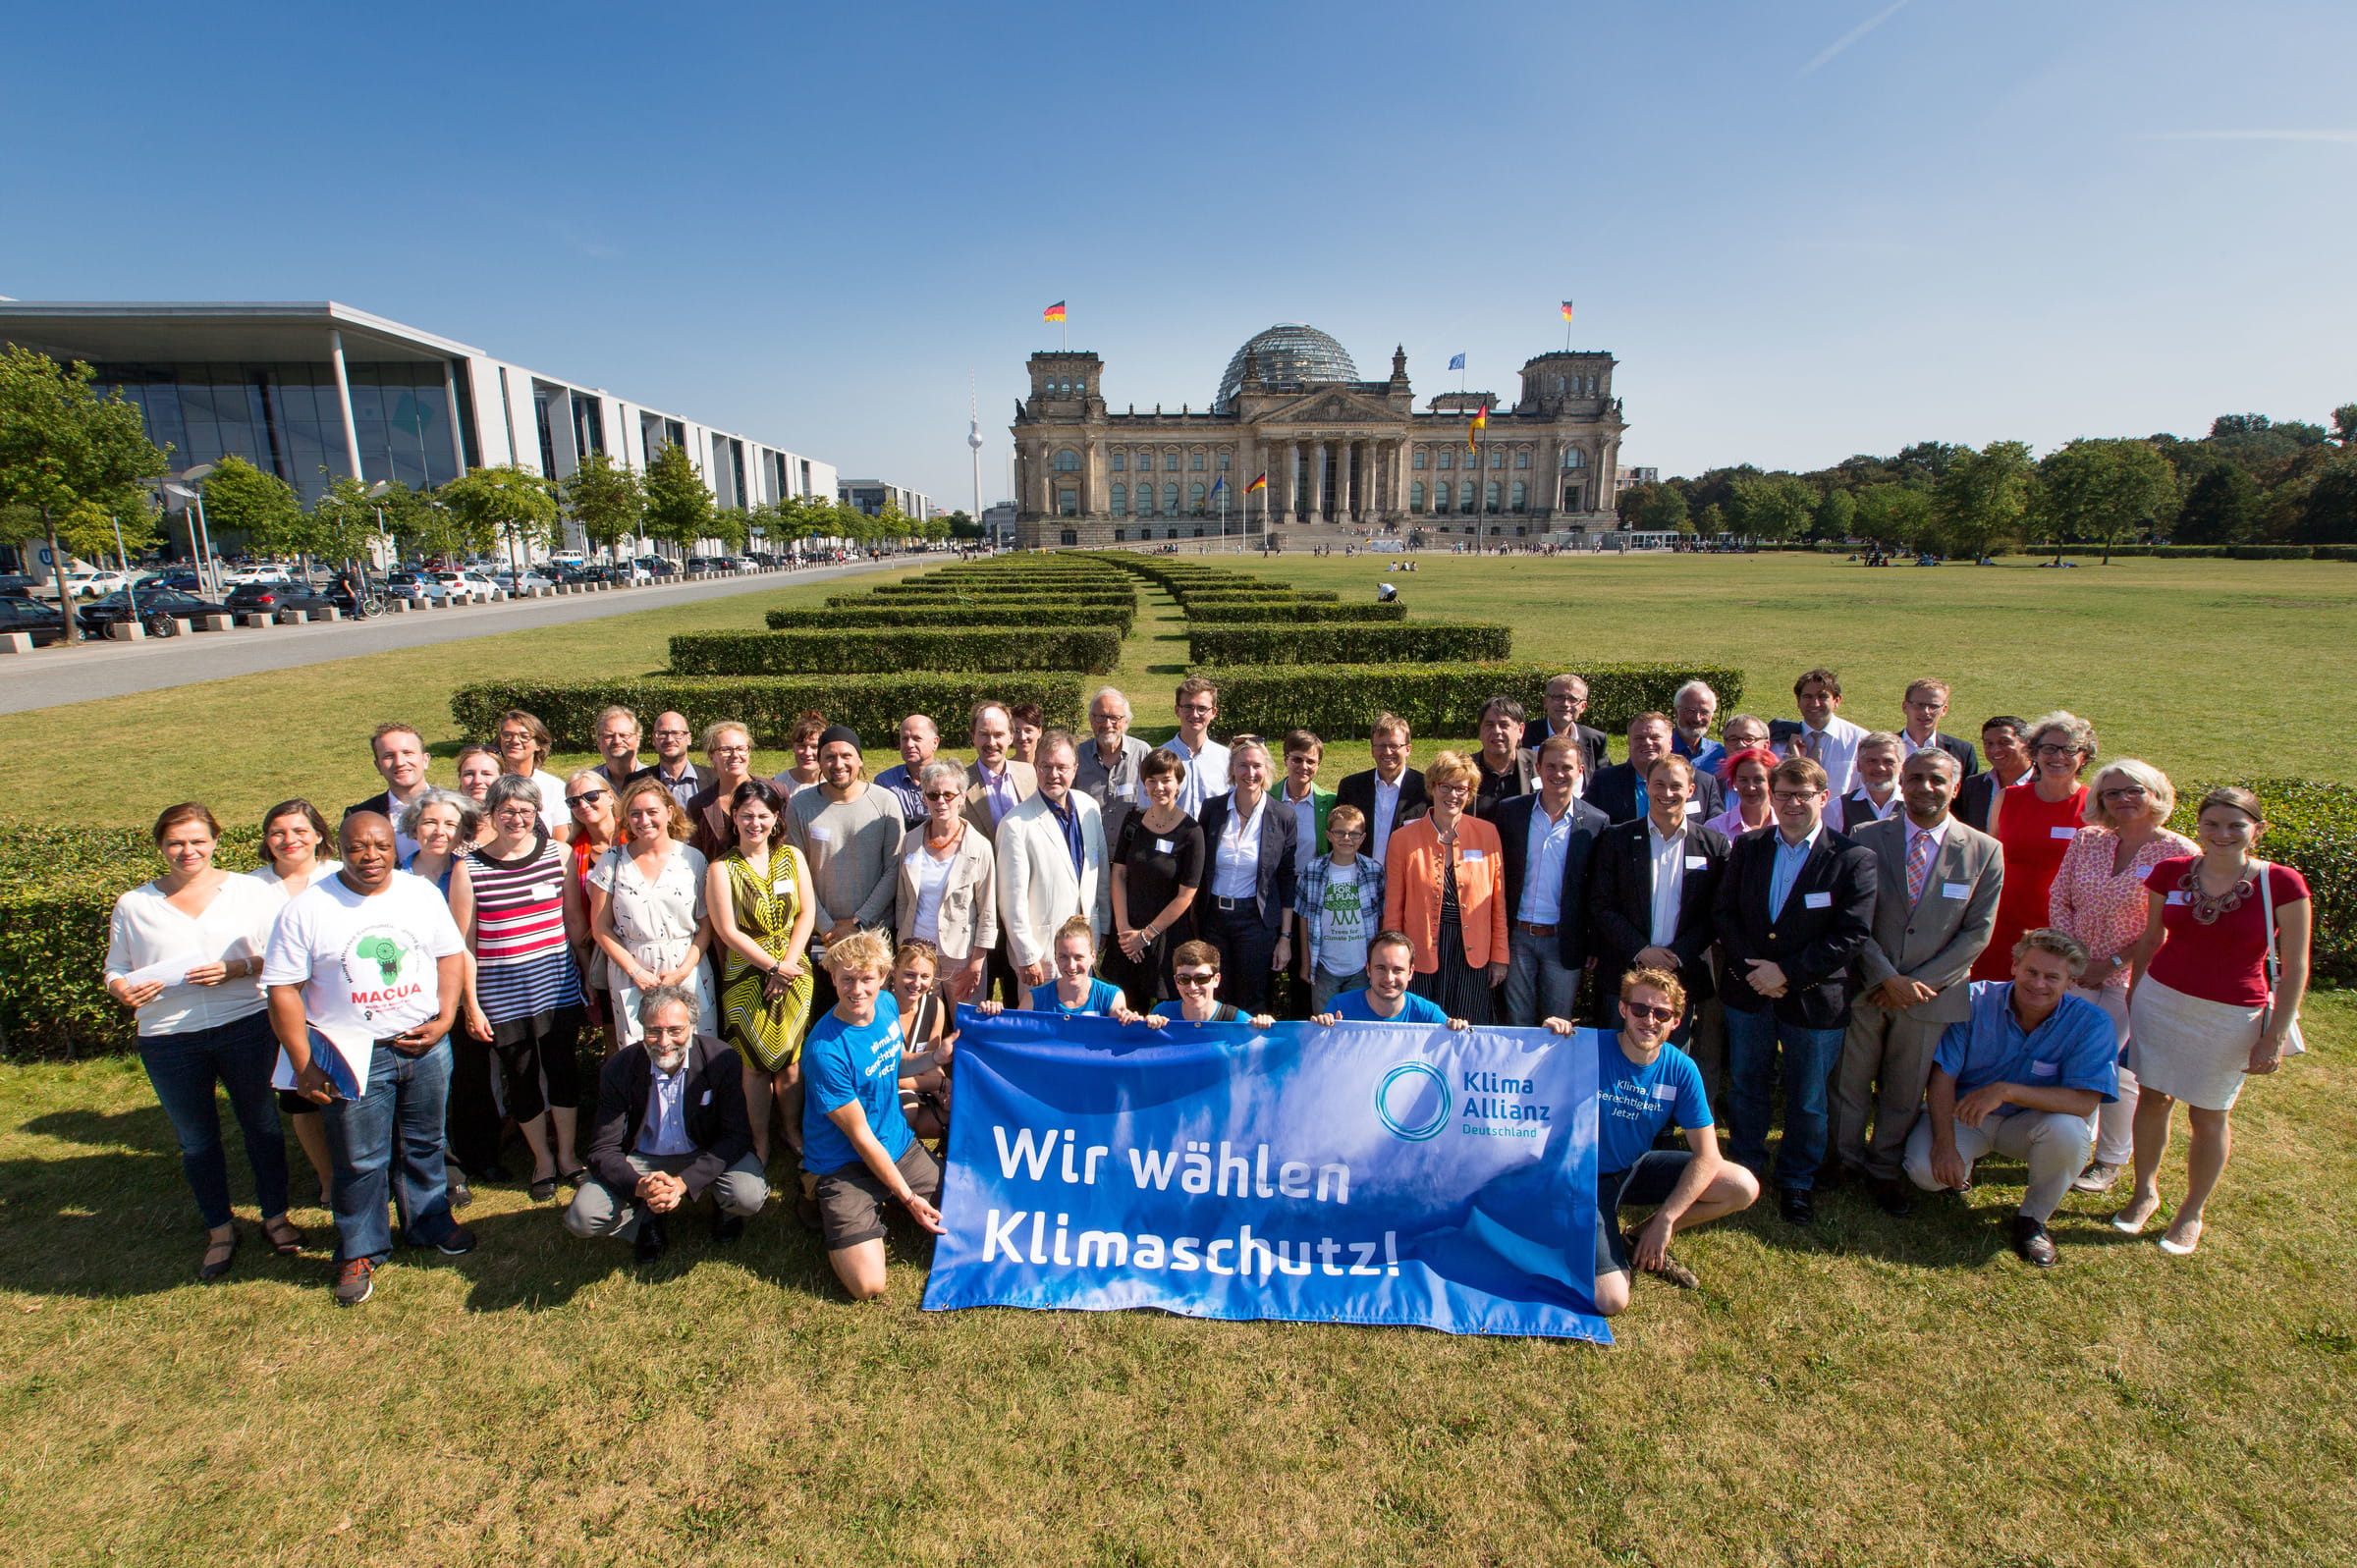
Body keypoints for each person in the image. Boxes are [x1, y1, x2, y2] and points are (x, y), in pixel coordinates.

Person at [262, 812, 473, 1306]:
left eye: (380, 845)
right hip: (352, 1054)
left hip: (423, 1043)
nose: (371, 856)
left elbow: (448, 954)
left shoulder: (418, 892)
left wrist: (446, 1017)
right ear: (339, 848)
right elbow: (283, 991)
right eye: (359, 847)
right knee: (359, 1159)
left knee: (425, 1141)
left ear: (392, 847)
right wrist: (302, 1062)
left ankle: (429, 1221)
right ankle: (360, 1247)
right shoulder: (309, 908)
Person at [105, 802, 301, 1276]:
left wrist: (239, 967)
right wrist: (121, 989)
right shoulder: (135, 904)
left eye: (196, 840)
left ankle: (275, 1217)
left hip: (245, 1025)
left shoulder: (251, 891)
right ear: (160, 847)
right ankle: (219, 1227)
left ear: (214, 841)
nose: (187, 850)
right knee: (196, 1140)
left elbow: (283, 954)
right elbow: (116, 966)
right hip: (170, 1036)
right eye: (175, 842)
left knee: (262, 1126)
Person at [2111, 787, 2310, 1256]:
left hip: (2230, 1014)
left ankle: (2192, 1210)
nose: (2222, 834)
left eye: (2235, 825)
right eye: (2212, 824)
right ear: (2198, 826)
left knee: (2209, 1112)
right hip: (2161, 1003)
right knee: (2153, 1098)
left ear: (2256, 830)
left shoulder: (2281, 883)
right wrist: (2138, 997)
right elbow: (2151, 938)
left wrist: (2274, 1034)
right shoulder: (2171, 872)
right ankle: (2145, 1192)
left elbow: (2297, 966)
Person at [1836, 748, 2003, 1212]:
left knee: (1905, 1090)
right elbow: (1852, 916)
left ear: (1955, 787)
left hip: (1931, 997)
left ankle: (1883, 1167)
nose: (1924, 788)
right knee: (1850, 1081)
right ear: (1902, 783)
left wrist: (1916, 984)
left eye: (1936, 779)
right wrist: (1888, 978)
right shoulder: (1865, 836)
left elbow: (1978, 931)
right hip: (1869, 987)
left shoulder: (1985, 851)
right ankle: (1844, 1160)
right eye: (1915, 778)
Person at [1713, 755, 1878, 1224]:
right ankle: (1745, 1166)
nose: (1790, 804)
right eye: (1781, 794)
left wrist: (1785, 972)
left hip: (1813, 997)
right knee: (1747, 1084)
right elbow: (1725, 913)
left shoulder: (1851, 858)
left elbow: (1851, 934)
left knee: (1807, 1097)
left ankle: (1797, 1180)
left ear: (1823, 798)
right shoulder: (1748, 847)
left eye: (1801, 795)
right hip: (1749, 991)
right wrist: (1755, 970)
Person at [1903, 931, 2118, 1266]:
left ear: (2071, 982)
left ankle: (2033, 1218)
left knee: (2069, 1133)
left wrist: (2006, 1090)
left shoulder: (2092, 1024)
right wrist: (1944, 1144)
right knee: (1923, 1172)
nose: (2039, 984)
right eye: (2032, 971)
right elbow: (1943, 1077)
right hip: (1967, 1115)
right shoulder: (1973, 1000)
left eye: (2052, 977)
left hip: (2031, 1122)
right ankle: (1962, 1168)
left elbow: (2084, 1103)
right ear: (2015, 966)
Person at [1573, 966, 1760, 1314]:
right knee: (1612, 1300)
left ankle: (1638, 1236)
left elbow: (1708, 1155)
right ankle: (1582, 1236)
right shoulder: (1587, 1047)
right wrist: (1551, 1033)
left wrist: (1666, 1219)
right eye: (1640, 1009)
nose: (1649, 1020)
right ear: (1623, 1010)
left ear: (1676, 1021)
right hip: (1583, 1181)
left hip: (1632, 1167)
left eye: (1661, 1013)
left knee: (1742, 1186)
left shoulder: (1681, 1068)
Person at [2046, 760, 2194, 1195]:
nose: (2123, 799)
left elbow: (2168, 927)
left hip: (2132, 978)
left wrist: (2109, 965)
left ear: (2155, 794)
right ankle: (2071, 1139)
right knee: (2071, 1055)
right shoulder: (2088, 839)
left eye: (2134, 790)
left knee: (2117, 1069)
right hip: (2074, 970)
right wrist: (2073, 960)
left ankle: (2110, 1159)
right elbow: (2060, 897)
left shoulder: (2180, 852)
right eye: (2112, 793)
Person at [449, 775, 588, 1203]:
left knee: (563, 1071)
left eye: (526, 811)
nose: (517, 818)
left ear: (537, 814)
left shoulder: (557, 855)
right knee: (523, 1077)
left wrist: (587, 977)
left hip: (558, 987)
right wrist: (471, 1005)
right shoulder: (467, 869)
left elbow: (573, 921)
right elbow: (463, 946)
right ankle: (542, 1160)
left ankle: (567, 1156)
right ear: (491, 814)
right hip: (502, 997)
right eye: (507, 810)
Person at [564, 985, 765, 1261]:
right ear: (641, 1029)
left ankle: (726, 1210)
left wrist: (684, 1183)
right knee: (582, 1218)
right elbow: (603, 1149)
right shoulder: (618, 1068)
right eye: (654, 1031)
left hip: (702, 1152)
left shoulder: (721, 1059)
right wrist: (640, 1186)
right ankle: (643, 1220)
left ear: (693, 1027)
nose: (664, 1041)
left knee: (748, 1195)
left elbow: (736, 1136)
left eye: (675, 1030)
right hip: (641, 1159)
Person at [798, 929, 945, 1301]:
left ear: (883, 977)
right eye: (846, 979)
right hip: (843, 1164)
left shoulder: (886, 1005)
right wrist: (909, 1200)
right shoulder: (824, 1050)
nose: (857, 990)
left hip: (897, 1144)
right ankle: (818, 1194)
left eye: (867, 979)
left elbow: (894, 1063)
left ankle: (884, 1196)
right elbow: (861, 1137)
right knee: (867, 1286)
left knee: (968, 1206)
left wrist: (935, 1058)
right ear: (832, 978)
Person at [705, 778, 818, 1167]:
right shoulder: (722, 868)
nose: (755, 823)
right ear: (734, 818)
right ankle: (758, 1139)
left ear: (776, 819)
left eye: (763, 816)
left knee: (789, 1059)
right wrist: (771, 966)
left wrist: (787, 964)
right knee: (753, 1065)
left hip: (794, 968)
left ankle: (791, 1129)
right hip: (746, 976)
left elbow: (807, 912)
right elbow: (726, 930)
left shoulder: (792, 857)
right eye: (747, 815)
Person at [1587, 754, 1730, 1038]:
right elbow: (1601, 905)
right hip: (1624, 970)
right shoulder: (1617, 839)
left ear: (1691, 790)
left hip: (1682, 972)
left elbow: (1717, 912)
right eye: (1659, 784)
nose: (1667, 793)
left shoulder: (1713, 846)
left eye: (1676, 786)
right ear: (1648, 787)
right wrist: (1642, 951)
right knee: (1615, 1058)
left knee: (1669, 1064)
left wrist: (1676, 955)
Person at [251, 798, 348, 1206]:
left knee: (348, 1093)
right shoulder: (248, 887)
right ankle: (328, 1177)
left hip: (340, 1003)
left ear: (319, 836)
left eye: (299, 831)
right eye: (278, 833)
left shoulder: (341, 876)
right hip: (282, 1007)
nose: (289, 840)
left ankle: (363, 1169)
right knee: (300, 1097)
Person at [589, 777, 717, 1053]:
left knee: (694, 1051)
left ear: (670, 812)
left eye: (651, 812)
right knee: (641, 1054)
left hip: (686, 968)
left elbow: (705, 925)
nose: (643, 820)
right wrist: (635, 971)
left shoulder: (693, 859)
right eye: (635, 814)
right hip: (633, 970)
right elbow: (600, 928)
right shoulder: (612, 860)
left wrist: (683, 971)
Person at [1381, 750, 1507, 1025]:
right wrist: (1392, 956)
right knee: (1422, 1027)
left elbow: (1497, 904)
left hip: (1471, 953)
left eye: (1461, 788)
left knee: (1466, 1030)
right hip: (1421, 950)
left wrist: (1499, 957)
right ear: (1432, 787)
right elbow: (1394, 907)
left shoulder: (1487, 834)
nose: (1453, 795)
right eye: (1445, 786)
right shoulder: (1403, 839)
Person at [785, 726, 905, 1012]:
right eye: (829, 757)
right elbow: (796, 872)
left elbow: (894, 868)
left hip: (873, 933)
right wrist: (826, 926)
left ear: (860, 759)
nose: (838, 764)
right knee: (823, 1014)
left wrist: (858, 921)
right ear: (819, 760)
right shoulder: (801, 805)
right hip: (819, 935)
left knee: (870, 1012)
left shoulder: (885, 802)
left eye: (846, 755)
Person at [1496, 734, 1612, 1027]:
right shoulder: (1511, 812)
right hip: (1518, 935)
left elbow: (1599, 889)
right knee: (1517, 1021)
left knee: (1557, 1023)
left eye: (1566, 767)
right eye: (1551, 766)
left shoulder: (1596, 822)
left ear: (1580, 771)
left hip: (1564, 940)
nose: (1558, 774)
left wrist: (1593, 943)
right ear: (1537, 767)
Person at [1972, 711, 2096, 982]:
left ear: (2084, 756)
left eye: (2069, 749)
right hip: (2001, 922)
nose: (2058, 756)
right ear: (2035, 753)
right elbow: (1990, 860)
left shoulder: (2094, 808)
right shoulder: (2008, 798)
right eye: (2049, 748)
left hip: (2060, 929)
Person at [996, 730, 1114, 995]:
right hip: (1042, 955)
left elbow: (1100, 872)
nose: (1053, 774)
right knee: (1042, 1030)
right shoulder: (1015, 825)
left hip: (1085, 946)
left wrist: (1102, 925)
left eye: (1061, 767)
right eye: (1046, 766)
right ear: (1035, 768)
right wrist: (1026, 955)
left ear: (1075, 769)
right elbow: (1011, 901)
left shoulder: (1089, 808)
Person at [1195, 737, 1299, 1013]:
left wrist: (1285, 937)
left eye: (1257, 766)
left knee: (1252, 998)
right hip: (1214, 919)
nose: (1250, 773)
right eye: (1243, 766)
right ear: (1232, 770)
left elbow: (1286, 878)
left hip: (1256, 921)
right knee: (1214, 994)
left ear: (1267, 770)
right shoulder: (1212, 809)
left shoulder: (1283, 816)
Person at [1107, 747, 1203, 1007]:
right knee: (1125, 1012)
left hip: (1167, 938)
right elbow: (1119, 872)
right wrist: (1124, 929)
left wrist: (1147, 935)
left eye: (1166, 780)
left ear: (1179, 783)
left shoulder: (1191, 832)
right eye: (1152, 780)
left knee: (1166, 1013)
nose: (1159, 787)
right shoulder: (1133, 820)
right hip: (1127, 937)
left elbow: (1187, 894)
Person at [896, 758, 997, 1004]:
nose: (941, 801)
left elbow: (987, 912)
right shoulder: (910, 842)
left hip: (960, 956)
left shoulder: (979, 847)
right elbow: (902, 901)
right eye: (933, 794)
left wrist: (977, 963)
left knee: (964, 1026)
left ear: (962, 798)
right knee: (921, 1026)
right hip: (917, 954)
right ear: (924, 798)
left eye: (949, 795)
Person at [1295, 803, 1387, 1016]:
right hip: (1325, 965)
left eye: (1354, 834)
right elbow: (1303, 916)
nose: (1347, 838)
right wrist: (1307, 962)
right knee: (1324, 1021)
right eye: (1340, 832)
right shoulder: (1313, 869)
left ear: (1363, 838)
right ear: (1329, 835)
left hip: (1361, 966)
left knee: (1358, 1022)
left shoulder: (1373, 871)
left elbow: (1381, 916)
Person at [1586, 711, 1726, 825]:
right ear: (1629, 743)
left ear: (1670, 742)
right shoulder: (1604, 781)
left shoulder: (1703, 783)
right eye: (1639, 738)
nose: (1647, 743)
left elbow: (1716, 830)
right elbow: (1587, 823)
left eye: (1655, 737)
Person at [1310, 931, 1470, 1028]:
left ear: (1411, 972)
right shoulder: (1340, 1006)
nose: (1389, 978)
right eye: (1381, 968)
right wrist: (1324, 1033)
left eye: (1398, 970)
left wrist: (1457, 1032)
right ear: (1368, 969)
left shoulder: (1429, 1014)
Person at [1335, 712, 1428, 866]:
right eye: (1380, 746)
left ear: (1408, 749)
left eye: (1394, 745)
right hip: (1359, 878)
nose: (1387, 751)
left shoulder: (1426, 789)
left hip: (1405, 879)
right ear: (1372, 750)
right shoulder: (1350, 787)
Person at [887, 940, 955, 1138]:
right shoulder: (881, 1006)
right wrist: (940, 1085)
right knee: (910, 1109)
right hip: (884, 1087)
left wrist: (944, 1095)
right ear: (893, 971)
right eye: (909, 975)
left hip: (918, 1086)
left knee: (959, 1111)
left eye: (925, 976)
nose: (917, 984)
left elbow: (931, 1061)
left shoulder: (935, 1006)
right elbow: (890, 1074)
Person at [1770, 668, 1868, 795]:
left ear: (1837, 701)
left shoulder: (1859, 740)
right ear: (1798, 702)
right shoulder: (1779, 741)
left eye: (1822, 696)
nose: (1815, 703)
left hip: (1841, 814)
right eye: (1807, 697)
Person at [345, 722, 433, 857]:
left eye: (407, 753)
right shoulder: (359, 815)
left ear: (425, 760)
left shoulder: (458, 807)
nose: (399, 762)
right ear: (378, 766)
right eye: (389, 756)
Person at [1143, 940, 1277, 1028]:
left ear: (1216, 979)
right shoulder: (1163, 1013)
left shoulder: (1235, 1020)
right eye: (1184, 979)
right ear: (1175, 981)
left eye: (1201, 979)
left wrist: (1267, 1029)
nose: (1193, 986)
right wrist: (1148, 1027)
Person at [1157, 676, 1231, 818]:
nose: (1195, 714)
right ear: (1177, 710)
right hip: (1172, 839)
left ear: (1213, 713)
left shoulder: (1227, 759)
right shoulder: (1158, 759)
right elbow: (1147, 810)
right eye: (1188, 707)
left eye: (1202, 708)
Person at [961, 701, 1038, 837]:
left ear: (1010, 737)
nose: (991, 743)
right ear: (973, 737)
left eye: (998, 735)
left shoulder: (1030, 773)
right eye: (984, 734)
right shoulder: (960, 783)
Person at [685, 721, 758, 862]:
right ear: (712, 756)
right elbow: (696, 855)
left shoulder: (775, 792)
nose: (735, 755)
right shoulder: (698, 804)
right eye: (725, 749)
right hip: (717, 881)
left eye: (741, 748)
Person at [491, 709, 570, 835]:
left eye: (524, 736)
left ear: (538, 744)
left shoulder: (555, 787)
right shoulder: (489, 783)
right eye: (507, 735)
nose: (515, 741)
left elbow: (560, 837)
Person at [1075, 685, 1151, 810]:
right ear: (1091, 720)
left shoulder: (1142, 753)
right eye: (1101, 717)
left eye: (1115, 718)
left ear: (1126, 721)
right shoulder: (1078, 756)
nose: (1107, 724)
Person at [1955, 717, 2032, 834]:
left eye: (2004, 742)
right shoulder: (1974, 785)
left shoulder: (2047, 784)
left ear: (2027, 744)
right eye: (1988, 743)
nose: (1995, 750)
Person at [397, 788, 477, 898]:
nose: (439, 832)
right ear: (414, 827)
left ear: (463, 832)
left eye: (450, 824)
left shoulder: (473, 874)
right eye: (430, 822)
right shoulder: (396, 876)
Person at [1528, 672, 1610, 775]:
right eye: (1558, 697)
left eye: (1573, 699)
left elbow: (1606, 781)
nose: (1565, 704)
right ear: (1545, 702)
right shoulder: (1524, 736)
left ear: (1583, 707)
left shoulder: (1595, 741)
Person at [633, 711, 714, 814]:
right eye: (662, 734)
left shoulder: (714, 779)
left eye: (676, 734)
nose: (669, 739)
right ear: (654, 740)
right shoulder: (636, 781)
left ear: (688, 739)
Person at [1470, 696, 1536, 819]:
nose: (1496, 731)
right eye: (1489, 725)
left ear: (1520, 731)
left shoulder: (1540, 765)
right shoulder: (1462, 769)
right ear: (1480, 731)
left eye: (1504, 725)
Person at [1896, 679, 1979, 776]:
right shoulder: (1882, 748)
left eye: (1933, 706)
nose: (1925, 711)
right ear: (1905, 707)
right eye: (1919, 705)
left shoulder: (1962, 751)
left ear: (1944, 710)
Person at [871, 713, 941, 824]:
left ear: (935, 743)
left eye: (917, 738)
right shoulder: (885, 783)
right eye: (904, 738)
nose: (909, 744)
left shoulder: (951, 781)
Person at [1830, 732, 1904, 833]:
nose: (1880, 768)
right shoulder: (1837, 808)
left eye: (1888, 761)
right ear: (1859, 766)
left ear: (1901, 766)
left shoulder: (1915, 804)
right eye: (1872, 761)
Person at [1705, 745, 1778, 839]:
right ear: (1734, 781)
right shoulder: (1715, 828)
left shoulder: (1785, 826)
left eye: (1758, 780)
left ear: (1772, 782)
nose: (1750, 787)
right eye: (1743, 780)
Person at [1669, 680, 1724, 775]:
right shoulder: (1663, 749)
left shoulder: (1719, 753)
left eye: (1704, 712)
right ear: (1676, 713)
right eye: (1690, 711)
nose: (1697, 719)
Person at [454, 744, 503, 846]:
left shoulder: (515, 818)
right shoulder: (449, 820)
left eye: (486, 774)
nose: (477, 781)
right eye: (469, 774)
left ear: (501, 778)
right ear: (460, 778)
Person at [772, 710, 828, 797]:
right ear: (793, 746)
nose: (807, 753)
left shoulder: (833, 784)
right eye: (802, 746)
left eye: (814, 747)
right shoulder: (778, 785)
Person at [588, 705, 645, 792]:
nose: (617, 741)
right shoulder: (589, 782)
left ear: (638, 739)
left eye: (624, 735)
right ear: (599, 742)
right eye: (609, 736)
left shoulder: (654, 778)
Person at [1008, 702, 1045, 767]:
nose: (1022, 737)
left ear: (1039, 731)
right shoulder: (1004, 771)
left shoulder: (1048, 769)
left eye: (1028, 731)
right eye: (1017, 731)